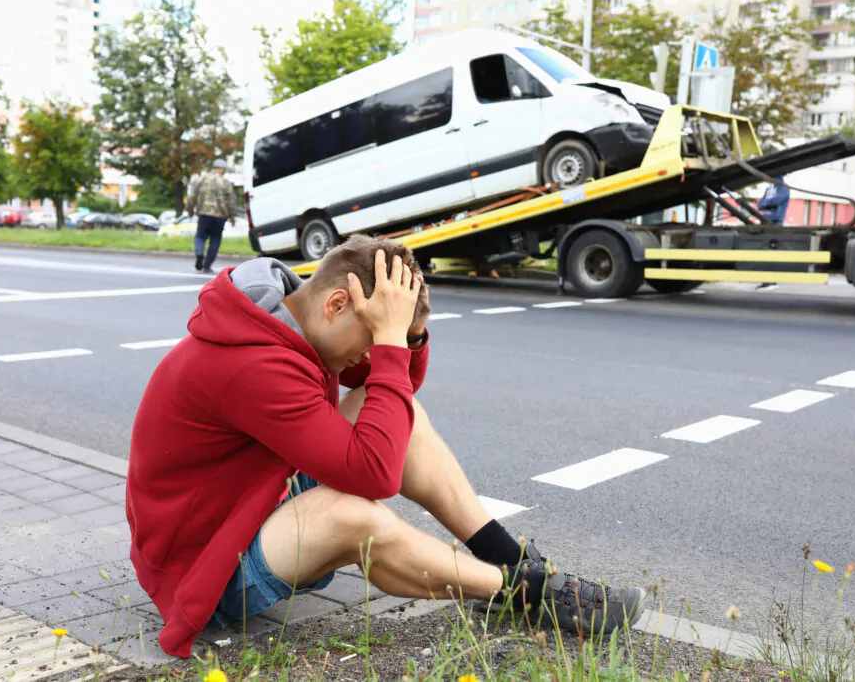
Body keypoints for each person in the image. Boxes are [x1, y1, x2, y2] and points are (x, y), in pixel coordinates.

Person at [125, 234, 649, 658]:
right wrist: (392, 344)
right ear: (336, 304)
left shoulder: (289, 318)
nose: (375, 350)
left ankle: (510, 560)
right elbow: (375, 474)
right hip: (210, 568)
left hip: (250, 506)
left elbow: (397, 396)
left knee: (404, 416)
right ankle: (522, 593)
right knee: (353, 514)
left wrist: (409, 333)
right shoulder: (254, 364)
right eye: (372, 335)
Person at [186, 159, 238, 275]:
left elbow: (192, 196)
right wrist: (232, 217)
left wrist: (190, 210)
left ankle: (199, 254)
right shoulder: (226, 182)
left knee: (200, 236)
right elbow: (231, 201)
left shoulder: (201, 179)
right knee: (215, 240)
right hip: (220, 216)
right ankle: (207, 265)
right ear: (221, 169)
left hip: (204, 214)